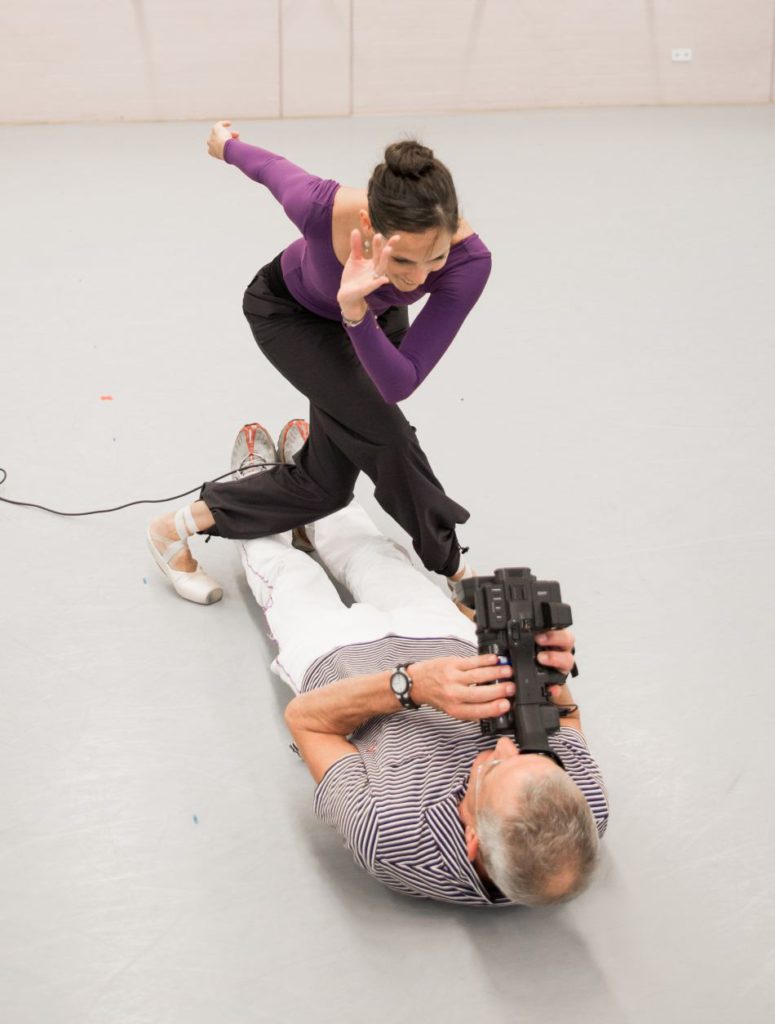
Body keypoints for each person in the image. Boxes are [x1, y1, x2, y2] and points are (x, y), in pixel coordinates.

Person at [238, 420, 608, 907]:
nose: (506, 747)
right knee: (374, 556)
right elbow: (567, 718)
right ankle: (316, 475)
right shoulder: (583, 804)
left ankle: (261, 485)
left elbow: (306, 723)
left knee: (288, 574)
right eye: (536, 756)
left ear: (472, 838)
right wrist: (547, 669)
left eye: (495, 769)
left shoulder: (392, 837)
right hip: (445, 641)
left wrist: (409, 685)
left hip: (340, 666)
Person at [147, 122, 492, 605]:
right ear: (370, 226)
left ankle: (176, 526)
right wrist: (226, 145)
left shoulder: (469, 263)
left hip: (369, 319)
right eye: (403, 263)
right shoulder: (321, 207)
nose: (418, 279)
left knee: (326, 489)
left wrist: (357, 313)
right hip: (289, 316)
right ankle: (460, 575)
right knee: (388, 438)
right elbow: (270, 169)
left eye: (433, 259)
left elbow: (402, 378)